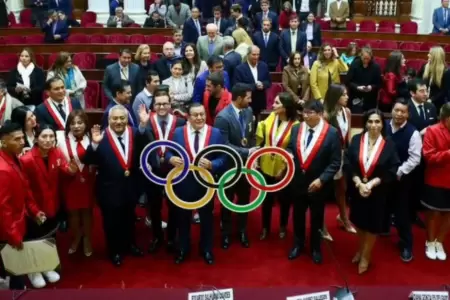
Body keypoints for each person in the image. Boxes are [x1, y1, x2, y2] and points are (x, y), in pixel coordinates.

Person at [82, 105, 152, 266]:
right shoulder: (100, 136)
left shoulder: (135, 132)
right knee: (111, 223)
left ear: (127, 119)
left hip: (131, 187)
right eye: (115, 118)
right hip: (109, 189)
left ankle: (131, 245)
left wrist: (142, 125)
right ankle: (114, 252)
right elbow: (88, 160)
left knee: (129, 219)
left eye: (122, 118)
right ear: (108, 119)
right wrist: (94, 144)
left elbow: (144, 146)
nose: (119, 121)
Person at [165, 103, 226, 264]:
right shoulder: (178, 133)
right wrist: (170, 158)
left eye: (202, 114)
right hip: (183, 183)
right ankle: (183, 249)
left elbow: (224, 157)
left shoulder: (216, 133)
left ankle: (206, 249)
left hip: (206, 184)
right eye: (195, 115)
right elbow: (168, 151)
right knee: (182, 218)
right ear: (189, 117)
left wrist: (213, 165)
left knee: (206, 218)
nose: (199, 118)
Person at [20, 124, 78, 288]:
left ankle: (46, 266)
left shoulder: (56, 152)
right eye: (44, 137)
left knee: (48, 236)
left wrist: (72, 170)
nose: (48, 140)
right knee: (33, 239)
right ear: (36, 138)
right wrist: (34, 210)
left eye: (51, 136)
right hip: (34, 208)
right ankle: (33, 272)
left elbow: (64, 168)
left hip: (53, 205)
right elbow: (25, 190)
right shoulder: (27, 160)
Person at [286, 100, 341, 264]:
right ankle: (298, 244)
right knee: (297, 215)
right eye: (304, 112)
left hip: (318, 184)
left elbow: (335, 162)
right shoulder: (297, 128)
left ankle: (316, 248)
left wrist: (321, 179)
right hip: (298, 182)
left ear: (320, 114)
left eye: (310, 113)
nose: (305, 115)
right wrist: (288, 155)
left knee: (317, 217)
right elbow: (290, 148)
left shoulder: (331, 133)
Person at [348, 109, 399, 274]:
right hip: (358, 190)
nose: (373, 125)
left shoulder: (389, 144)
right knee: (359, 222)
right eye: (370, 121)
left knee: (372, 226)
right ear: (365, 123)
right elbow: (348, 164)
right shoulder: (356, 140)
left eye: (377, 122)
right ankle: (360, 249)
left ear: (382, 124)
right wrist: (359, 183)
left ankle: (366, 256)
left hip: (377, 192)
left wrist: (371, 184)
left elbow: (392, 169)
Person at [0, 121, 46, 290]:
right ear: (4, 142)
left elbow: (25, 189)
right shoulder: (2, 169)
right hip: (8, 230)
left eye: (22, 138)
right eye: (17, 139)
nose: (22, 142)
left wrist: (35, 211)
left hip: (20, 221)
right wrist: (13, 235)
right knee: (13, 272)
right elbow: (2, 208)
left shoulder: (14, 159)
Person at [140, 91, 185, 253]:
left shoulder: (180, 122)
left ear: (170, 104)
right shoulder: (148, 122)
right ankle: (157, 237)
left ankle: (172, 238)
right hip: (153, 171)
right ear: (153, 106)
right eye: (158, 104)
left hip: (174, 171)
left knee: (174, 205)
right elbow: (140, 141)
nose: (161, 107)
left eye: (165, 103)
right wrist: (143, 125)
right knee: (154, 206)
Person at [214, 83, 256, 249]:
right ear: (239, 98)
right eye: (248, 97)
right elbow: (223, 145)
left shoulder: (249, 111)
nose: (250, 100)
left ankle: (242, 230)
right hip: (229, 167)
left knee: (244, 200)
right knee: (227, 200)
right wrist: (247, 152)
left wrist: (251, 153)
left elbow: (251, 136)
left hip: (245, 168)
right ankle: (225, 233)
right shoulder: (222, 117)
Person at [256, 92, 299, 240]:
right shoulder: (271, 117)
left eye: (276, 103)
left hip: (284, 168)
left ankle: (282, 226)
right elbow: (262, 137)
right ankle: (265, 228)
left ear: (286, 107)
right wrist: (256, 157)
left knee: (285, 199)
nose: (273, 105)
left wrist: (284, 168)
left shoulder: (296, 125)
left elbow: (294, 149)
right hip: (266, 164)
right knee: (266, 199)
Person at [384, 98, 421, 262]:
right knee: (382, 205)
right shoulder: (382, 126)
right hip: (382, 177)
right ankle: (382, 229)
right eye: (396, 110)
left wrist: (398, 172)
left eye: (403, 111)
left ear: (408, 114)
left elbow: (415, 159)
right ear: (392, 110)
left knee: (401, 214)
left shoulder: (413, 133)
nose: (399, 114)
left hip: (401, 179)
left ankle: (406, 245)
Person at [56, 110, 96, 257]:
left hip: (88, 181)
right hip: (70, 181)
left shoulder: (92, 138)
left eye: (80, 123)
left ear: (86, 124)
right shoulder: (61, 140)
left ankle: (87, 239)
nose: (76, 126)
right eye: (72, 123)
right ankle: (76, 238)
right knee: (72, 214)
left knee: (87, 212)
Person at [322, 84, 356, 240]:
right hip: (329, 157)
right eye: (344, 95)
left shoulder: (347, 112)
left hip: (342, 154)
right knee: (324, 190)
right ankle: (320, 225)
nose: (347, 97)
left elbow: (347, 136)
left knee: (342, 188)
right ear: (336, 97)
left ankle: (343, 218)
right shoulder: (326, 115)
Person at [422, 103, 450, 261]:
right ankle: (430, 241)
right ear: (446, 118)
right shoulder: (432, 130)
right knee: (433, 213)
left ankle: (439, 241)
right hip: (436, 178)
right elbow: (429, 157)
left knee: (449, 214)